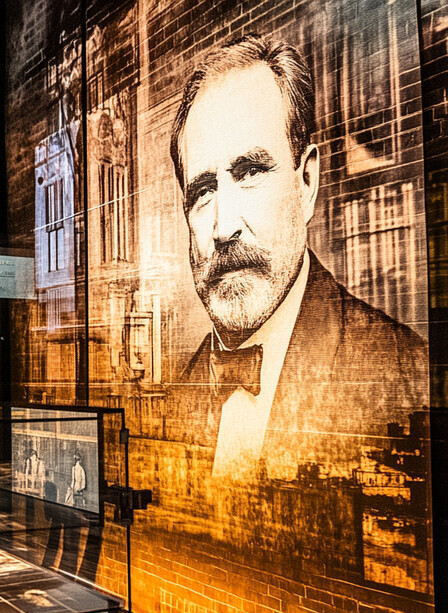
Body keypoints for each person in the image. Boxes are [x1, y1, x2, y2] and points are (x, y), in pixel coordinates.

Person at [168, 33, 427, 481]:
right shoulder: (176, 399)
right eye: (202, 192)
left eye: (250, 173)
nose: (223, 226)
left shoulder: (405, 374)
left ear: (306, 182)